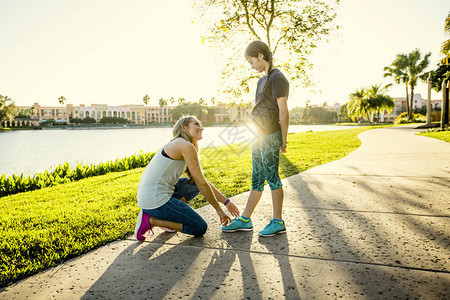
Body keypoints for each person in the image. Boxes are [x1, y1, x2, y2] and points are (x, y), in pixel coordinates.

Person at [222, 40, 289, 237]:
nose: (251, 67)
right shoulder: (261, 81)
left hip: (270, 136)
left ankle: (278, 222)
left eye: (252, 62)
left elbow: (283, 112)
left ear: (261, 55)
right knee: (257, 178)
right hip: (258, 136)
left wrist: (283, 139)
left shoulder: (278, 78)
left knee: (272, 177)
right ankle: (245, 219)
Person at [134, 116, 240, 240]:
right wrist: (219, 211)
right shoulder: (184, 145)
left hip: (150, 196)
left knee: (193, 185)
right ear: (184, 128)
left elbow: (199, 182)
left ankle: (164, 216)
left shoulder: (180, 143)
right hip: (155, 200)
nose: (202, 128)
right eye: (196, 124)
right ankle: (150, 220)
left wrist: (226, 202)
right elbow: (202, 183)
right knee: (199, 227)